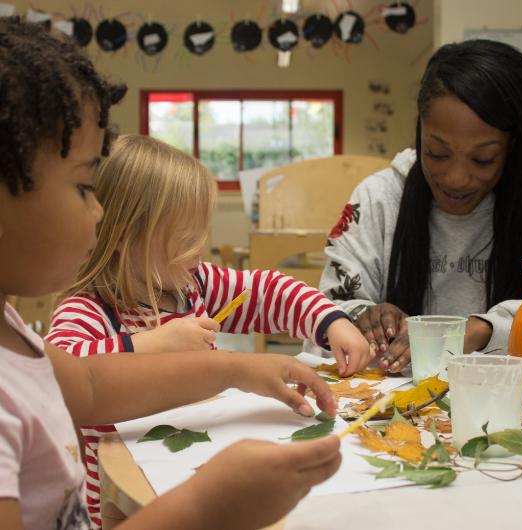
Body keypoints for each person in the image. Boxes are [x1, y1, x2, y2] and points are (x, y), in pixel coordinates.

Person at [0, 17, 342, 530]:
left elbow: (91, 384)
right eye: (85, 186)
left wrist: (240, 368)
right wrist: (209, 505)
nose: (99, 213)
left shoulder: (15, 335)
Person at [45, 133, 371, 525]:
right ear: (123, 236)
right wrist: (147, 344)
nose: (200, 251)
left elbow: (266, 292)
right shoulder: (89, 309)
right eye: (185, 239)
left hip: (199, 472)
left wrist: (330, 321)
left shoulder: (191, 283)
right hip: (126, 503)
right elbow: (59, 374)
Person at [311, 39, 522, 373]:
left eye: (483, 159)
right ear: (419, 133)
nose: (456, 178)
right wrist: (360, 318)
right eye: (437, 153)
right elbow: (320, 317)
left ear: (514, 147)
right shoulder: (378, 200)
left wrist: (482, 330)